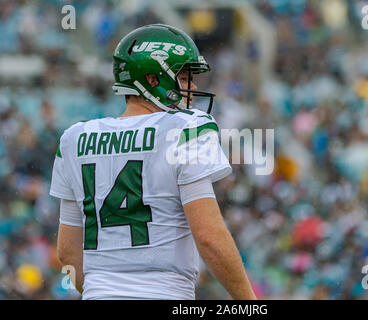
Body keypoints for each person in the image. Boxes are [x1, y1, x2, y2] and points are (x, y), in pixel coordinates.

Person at [50, 24, 256, 300]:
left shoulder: (74, 139)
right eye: (183, 78)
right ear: (152, 79)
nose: (193, 87)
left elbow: (67, 253)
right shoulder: (186, 128)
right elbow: (209, 237)